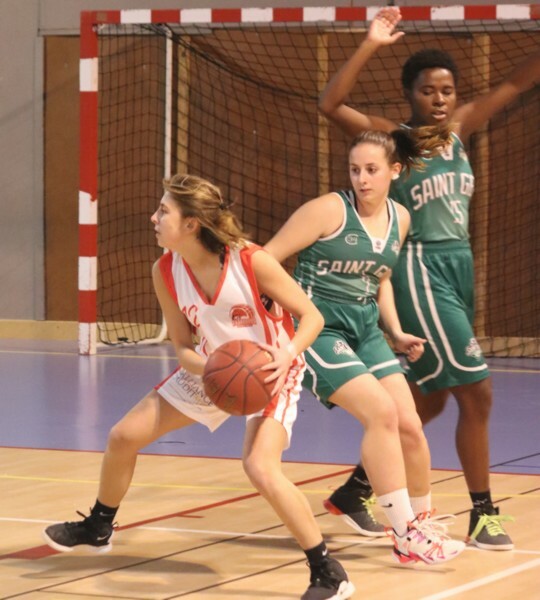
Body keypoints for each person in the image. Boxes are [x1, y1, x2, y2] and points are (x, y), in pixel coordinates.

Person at [43, 174, 355, 600]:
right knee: (123, 436)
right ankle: (99, 526)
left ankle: (328, 571)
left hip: (271, 371)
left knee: (260, 467)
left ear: (191, 224)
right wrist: (212, 369)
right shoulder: (165, 271)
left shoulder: (252, 261)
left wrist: (286, 354)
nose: (153, 218)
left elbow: (312, 317)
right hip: (212, 367)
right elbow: (182, 347)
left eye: (163, 211)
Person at [317, 5, 540, 550]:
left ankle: (355, 490)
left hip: (458, 264)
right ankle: (483, 514)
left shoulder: (460, 130)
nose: (439, 99)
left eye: (446, 90)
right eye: (427, 90)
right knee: (477, 393)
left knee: (430, 398)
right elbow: (330, 104)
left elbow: (516, 81)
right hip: (417, 267)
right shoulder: (393, 141)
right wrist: (371, 43)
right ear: (409, 94)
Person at [265, 129, 465, 565]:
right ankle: (406, 535)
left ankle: (421, 525)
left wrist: (396, 331)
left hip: (366, 326)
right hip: (318, 326)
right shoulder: (327, 210)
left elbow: (381, 277)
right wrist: (273, 308)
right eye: (355, 169)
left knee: (409, 424)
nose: (362, 179)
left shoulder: (400, 218)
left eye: (372, 170)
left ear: (394, 170)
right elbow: (265, 257)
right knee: (381, 413)